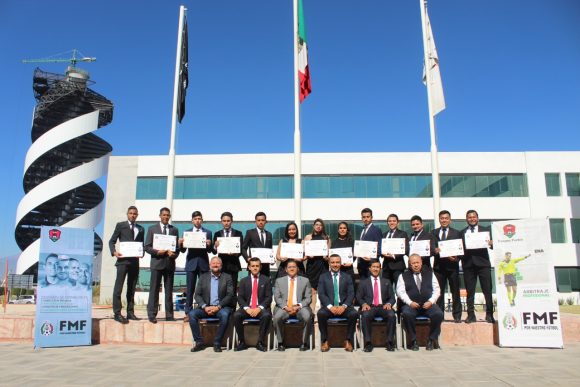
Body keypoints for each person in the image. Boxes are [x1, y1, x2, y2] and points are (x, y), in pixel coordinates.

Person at [397, 254, 444, 351]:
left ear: (421, 263)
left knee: (438, 314)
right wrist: (410, 302)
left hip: (428, 305)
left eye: (417, 262)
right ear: (409, 264)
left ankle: (431, 339)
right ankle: (413, 340)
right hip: (411, 305)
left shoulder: (430, 274)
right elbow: (400, 292)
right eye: (413, 263)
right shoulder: (403, 276)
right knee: (406, 314)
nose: (416, 265)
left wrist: (431, 301)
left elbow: (437, 290)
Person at [189, 257, 235, 353]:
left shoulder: (227, 277)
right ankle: (199, 342)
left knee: (225, 315)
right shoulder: (203, 277)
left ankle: (217, 343)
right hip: (205, 308)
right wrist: (204, 306)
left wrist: (218, 306)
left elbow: (230, 295)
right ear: (210, 265)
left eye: (218, 263)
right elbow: (197, 295)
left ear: (221, 266)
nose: (215, 265)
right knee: (192, 314)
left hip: (221, 307)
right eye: (213, 263)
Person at [108, 205, 145, 323]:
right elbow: (111, 241)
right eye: (131, 213)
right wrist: (114, 252)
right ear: (127, 214)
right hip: (122, 261)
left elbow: (141, 244)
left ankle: (130, 312)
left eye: (135, 213)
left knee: (132, 288)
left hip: (134, 261)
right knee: (118, 288)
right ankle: (117, 313)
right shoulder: (120, 225)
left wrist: (141, 253)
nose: (133, 215)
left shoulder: (141, 228)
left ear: (137, 215)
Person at [145, 207, 180, 324]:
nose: (165, 217)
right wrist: (156, 252)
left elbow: (177, 250)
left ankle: (169, 315)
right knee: (154, 290)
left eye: (167, 215)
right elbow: (147, 247)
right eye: (164, 215)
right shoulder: (152, 229)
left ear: (169, 216)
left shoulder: (174, 230)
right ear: (160, 216)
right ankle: (152, 314)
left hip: (169, 264)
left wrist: (173, 254)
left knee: (169, 291)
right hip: (157, 263)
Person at [317, 254, 358, 352]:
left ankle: (348, 340)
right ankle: (325, 341)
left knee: (353, 313)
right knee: (321, 314)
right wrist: (330, 307)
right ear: (329, 263)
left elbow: (351, 293)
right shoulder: (323, 277)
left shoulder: (347, 277)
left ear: (340, 263)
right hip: (329, 307)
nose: (335, 264)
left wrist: (344, 306)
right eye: (333, 262)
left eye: (337, 262)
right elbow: (321, 294)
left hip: (344, 306)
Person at [462, 210, 495, 323]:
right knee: (470, 292)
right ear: (466, 219)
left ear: (477, 218)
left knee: (487, 290)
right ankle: (471, 315)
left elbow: (494, 246)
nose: (472, 219)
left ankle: (489, 314)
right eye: (469, 217)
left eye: (474, 217)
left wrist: (492, 243)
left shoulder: (486, 230)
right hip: (468, 265)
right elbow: (459, 249)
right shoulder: (462, 232)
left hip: (483, 264)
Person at [179, 211, 213, 322]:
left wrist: (209, 244)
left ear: (202, 220)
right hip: (191, 263)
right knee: (190, 289)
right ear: (192, 220)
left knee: (204, 289)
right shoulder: (187, 232)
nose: (197, 220)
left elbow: (210, 250)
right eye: (195, 219)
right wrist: (181, 243)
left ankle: (202, 311)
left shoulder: (208, 232)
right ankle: (188, 312)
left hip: (203, 263)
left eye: (199, 218)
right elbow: (183, 251)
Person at [233, 257, 272, 352]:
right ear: (249, 267)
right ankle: (242, 342)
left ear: (261, 267)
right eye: (253, 266)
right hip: (247, 308)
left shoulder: (266, 280)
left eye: (257, 266)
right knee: (237, 315)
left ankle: (260, 342)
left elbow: (269, 297)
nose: (255, 268)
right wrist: (247, 308)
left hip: (260, 308)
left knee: (266, 315)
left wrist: (259, 308)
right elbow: (240, 298)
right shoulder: (243, 281)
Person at [357, 261, 397, 352]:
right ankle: (368, 343)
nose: (375, 269)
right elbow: (359, 297)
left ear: (380, 269)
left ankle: (390, 342)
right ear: (370, 268)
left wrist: (389, 304)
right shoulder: (363, 282)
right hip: (369, 307)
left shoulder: (386, 281)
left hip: (383, 307)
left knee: (391, 315)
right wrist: (364, 304)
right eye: (373, 267)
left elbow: (392, 297)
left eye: (377, 267)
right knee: (365, 316)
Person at [273, 261, 313, 351]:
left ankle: (304, 342)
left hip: (300, 308)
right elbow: (277, 297)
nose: (292, 268)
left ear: (298, 269)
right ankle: (280, 342)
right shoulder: (279, 281)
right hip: (284, 307)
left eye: (294, 267)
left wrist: (298, 306)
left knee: (307, 317)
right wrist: (286, 307)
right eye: (289, 267)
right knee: (277, 317)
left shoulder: (305, 280)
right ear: (286, 269)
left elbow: (308, 298)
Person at [432, 210, 463, 323]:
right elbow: (431, 248)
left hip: (452, 267)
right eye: (442, 218)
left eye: (446, 218)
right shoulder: (433, 232)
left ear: (450, 220)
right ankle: (440, 315)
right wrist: (434, 251)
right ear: (439, 219)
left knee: (455, 291)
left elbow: (460, 249)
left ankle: (457, 315)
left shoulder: (457, 233)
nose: (444, 220)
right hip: (439, 267)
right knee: (439, 293)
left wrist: (456, 258)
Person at [303, 218, 331, 311]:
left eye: (320, 225)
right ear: (313, 226)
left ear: (322, 227)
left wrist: (326, 257)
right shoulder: (308, 237)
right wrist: (308, 255)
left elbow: (329, 255)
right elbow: (302, 252)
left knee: (323, 290)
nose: (318, 226)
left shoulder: (326, 238)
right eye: (317, 225)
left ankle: (323, 313)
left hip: (323, 265)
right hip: (312, 266)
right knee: (312, 291)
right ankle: (312, 313)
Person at [212, 211, 243, 292]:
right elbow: (214, 252)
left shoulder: (238, 233)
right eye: (224, 221)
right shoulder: (217, 234)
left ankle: (232, 305)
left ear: (232, 221)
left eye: (228, 221)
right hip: (221, 265)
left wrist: (235, 253)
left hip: (234, 264)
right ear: (221, 221)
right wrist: (215, 246)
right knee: (221, 288)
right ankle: (221, 304)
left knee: (233, 288)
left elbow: (241, 249)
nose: (226, 223)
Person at [242, 212, 273, 276]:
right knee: (253, 285)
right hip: (254, 266)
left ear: (266, 221)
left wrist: (272, 259)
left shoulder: (269, 234)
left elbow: (270, 250)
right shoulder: (250, 233)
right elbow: (243, 248)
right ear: (255, 221)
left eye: (262, 220)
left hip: (265, 267)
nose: (261, 222)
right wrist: (248, 258)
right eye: (258, 220)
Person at [381, 214, 408, 287]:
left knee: (399, 289)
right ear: (387, 223)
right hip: (386, 267)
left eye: (394, 221)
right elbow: (381, 249)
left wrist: (393, 255)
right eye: (389, 221)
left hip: (398, 266)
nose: (391, 223)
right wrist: (382, 253)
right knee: (385, 289)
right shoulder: (384, 235)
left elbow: (406, 249)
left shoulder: (403, 234)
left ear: (397, 222)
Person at [356, 208, 383, 279]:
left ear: (372, 217)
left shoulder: (376, 230)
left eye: (368, 217)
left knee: (371, 287)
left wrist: (371, 258)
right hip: (361, 265)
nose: (366, 219)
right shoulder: (362, 230)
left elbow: (380, 247)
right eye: (364, 217)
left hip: (371, 265)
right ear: (361, 218)